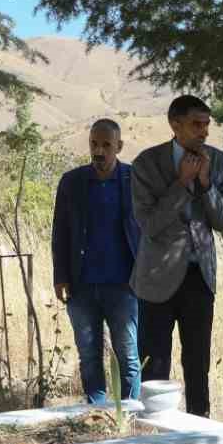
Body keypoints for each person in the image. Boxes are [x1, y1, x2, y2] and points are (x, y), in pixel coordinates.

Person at [130, 95, 223, 418]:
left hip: (199, 278)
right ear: (175, 125)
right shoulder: (146, 163)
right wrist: (183, 184)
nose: (203, 132)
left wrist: (205, 186)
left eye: (206, 125)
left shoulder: (217, 161)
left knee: (198, 365)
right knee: (155, 365)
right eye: (195, 125)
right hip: (157, 279)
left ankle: (199, 429)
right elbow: (149, 224)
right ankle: (154, 434)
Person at [51, 119, 143, 405]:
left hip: (124, 286)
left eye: (106, 145)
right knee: (89, 357)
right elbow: (60, 232)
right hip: (82, 286)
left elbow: (150, 229)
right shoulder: (72, 182)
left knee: (127, 355)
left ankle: (128, 418)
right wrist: (60, 275)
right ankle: (97, 413)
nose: (99, 151)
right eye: (94, 144)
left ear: (119, 146)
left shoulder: (133, 180)